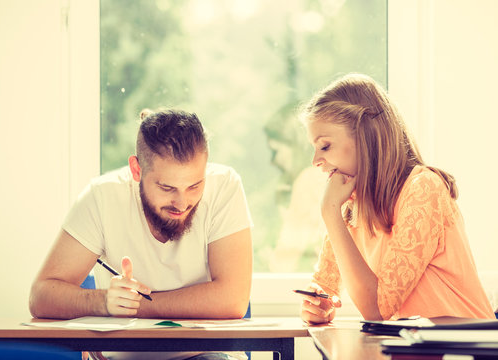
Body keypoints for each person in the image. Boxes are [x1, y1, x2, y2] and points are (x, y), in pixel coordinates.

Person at [29, 109, 253, 360]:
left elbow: (233, 299)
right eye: (167, 188)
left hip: (206, 355)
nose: (182, 203)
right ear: (136, 170)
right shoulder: (103, 197)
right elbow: (41, 295)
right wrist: (103, 302)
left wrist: (137, 305)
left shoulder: (225, 186)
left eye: (194, 186)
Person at [298, 73, 495, 324]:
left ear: (365, 137)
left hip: (464, 347)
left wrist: (330, 212)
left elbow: (378, 309)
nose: (315, 161)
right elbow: (324, 286)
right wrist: (318, 305)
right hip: (414, 346)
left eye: (324, 146)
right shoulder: (351, 206)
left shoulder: (423, 188)